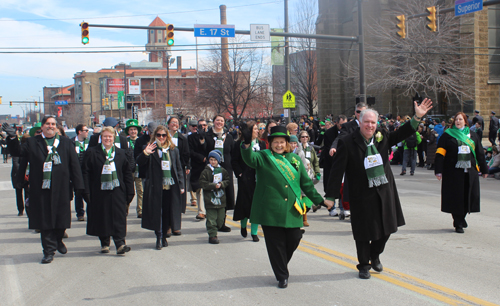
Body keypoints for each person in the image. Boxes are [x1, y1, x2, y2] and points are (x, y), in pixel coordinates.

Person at [325, 99, 433, 279]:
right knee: (362, 231)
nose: (369, 125)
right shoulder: (347, 142)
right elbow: (337, 171)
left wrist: (417, 117)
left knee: (388, 228)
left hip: (384, 190)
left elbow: (402, 133)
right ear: (359, 122)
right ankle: (363, 265)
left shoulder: (383, 135)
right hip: (361, 192)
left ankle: (374, 254)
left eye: (373, 122)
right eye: (366, 122)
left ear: (377, 123)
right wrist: (330, 196)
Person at [240, 124, 324, 288]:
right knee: (275, 244)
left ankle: (280, 263)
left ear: (287, 143)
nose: (279, 145)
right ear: (270, 143)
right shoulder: (263, 156)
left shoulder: (294, 159)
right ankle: (282, 275)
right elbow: (249, 158)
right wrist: (247, 143)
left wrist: (320, 201)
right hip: (270, 210)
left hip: (292, 209)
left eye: (282, 142)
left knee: (294, 237)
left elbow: (306, 184)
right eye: (275, 142)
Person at [2, 116, 84, 264]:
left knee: (61, 220)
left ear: (56, 127)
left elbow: (74, 165)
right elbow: (17, 152)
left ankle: (58, 239)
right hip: (41, 188)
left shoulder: (65, 143)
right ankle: (48, 251)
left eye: (53, 124)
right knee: (45, 221)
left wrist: (79, 186)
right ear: (42, 126)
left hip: (61, 188)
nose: (50, 126)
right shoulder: (33, 142)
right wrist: (13, 137)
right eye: (47, 124)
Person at [82, 126, 135, 254]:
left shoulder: (121, 153)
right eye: (105, 136)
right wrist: (86, 191)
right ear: (101, 138)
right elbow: (85, 173)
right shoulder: (91, 152)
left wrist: (130, 191)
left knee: (119, 217)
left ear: (114, 138)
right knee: (102, 216)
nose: (107, 139)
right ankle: (104, 243)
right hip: (98, 191)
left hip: (117, 191)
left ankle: (120, 244)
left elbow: (127, 173)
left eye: (110, 136)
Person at [435, 112, 489, 233]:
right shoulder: (447, 136)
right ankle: (458, 222)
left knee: (467, 196)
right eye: (456, 120)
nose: (458, 121)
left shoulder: (473, 136)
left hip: (470, 171)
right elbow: (440, 154)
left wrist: (484, 169)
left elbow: (480, 153)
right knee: (455, 197)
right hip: (453, 172)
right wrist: (438, 170)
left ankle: (462, 217)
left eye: (460, 119)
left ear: (465, 121)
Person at [137, 125, 185, 250]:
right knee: (158, 213)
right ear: (154, 136)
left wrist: (181, 185)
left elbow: (178, 168)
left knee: (167, 213)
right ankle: (158, 237)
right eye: (159, 135)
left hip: (170, 186)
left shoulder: (173, 150)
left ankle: (164, 236)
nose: (161, 137)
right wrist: (145, 153)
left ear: (167, 136)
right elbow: (140, 163)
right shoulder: (150, 148)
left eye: (164, 135)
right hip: (155, 186)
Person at [232, 120, 264, 242]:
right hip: (245, 179)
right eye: (255, 129)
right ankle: (243, 225)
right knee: (245, 204)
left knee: (256, 205)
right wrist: (240, 173)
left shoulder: (261, 145)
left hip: (258, 178)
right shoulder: (238, 144)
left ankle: (254, 232)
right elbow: (234, 161)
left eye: (257, 129)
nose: (257, 131)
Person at [205, 115, 235, 232]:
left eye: (222, 121)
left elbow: (232, 152)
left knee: (225, 195)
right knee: (213, 195)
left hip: (226, 169)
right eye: (217, 120)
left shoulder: (228, 137)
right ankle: (212, 222)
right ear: (213, 122)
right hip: (212, 170)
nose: (219, 122)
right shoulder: (207, 136)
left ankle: (222, 222)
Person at [199, 150, 230, 244]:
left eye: (215, 160)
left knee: (220, 220)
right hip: (210, 199)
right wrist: (213, 185)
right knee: (211, 219)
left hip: (221, 199)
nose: (213, 162)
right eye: (211, 160)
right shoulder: (206, 171)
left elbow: (227, 180)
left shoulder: (223, 171)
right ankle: (212, 235)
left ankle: (217, 228)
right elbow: (202, 183)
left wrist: (222, 184)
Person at [167, 117, 191, 225]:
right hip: (166, 168)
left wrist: (186, 166)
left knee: (179, 193)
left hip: (179, 168)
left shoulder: (182, 138)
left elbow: (186, 154)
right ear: (168, 124)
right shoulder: (164, 137)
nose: (175, 124)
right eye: (173, 122)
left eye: (176, 123)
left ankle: (176, 222)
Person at [187, 119, 208, 220]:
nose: (201, 127)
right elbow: (190, 151)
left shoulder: (209, 136)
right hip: (197, 165)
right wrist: (201, 158)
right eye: (199, 126)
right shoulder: (190, 138)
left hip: (209, 164)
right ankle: (201, 211)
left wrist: (203, 139)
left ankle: (210, 210)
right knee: (199, 189)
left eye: (204, 125)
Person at [124, 119, 144, 218]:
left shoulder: (140, 141)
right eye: (131, 129)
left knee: (141, 190)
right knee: (128, 190)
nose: (133, 131)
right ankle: (125, 209)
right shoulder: (125, 142)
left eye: (135, 129)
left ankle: (140, 210)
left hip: (139, 169)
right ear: (128, 131)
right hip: (128, 170)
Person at [72, 124, 90, 221]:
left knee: (88, 192)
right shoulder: (72, 142)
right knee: (78, 193)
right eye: (86, 130)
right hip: (77, 172)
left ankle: (91, 211)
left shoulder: (90, 143)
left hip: (87, 171)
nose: (87, 132)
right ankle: (80, 213)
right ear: (80, 132)